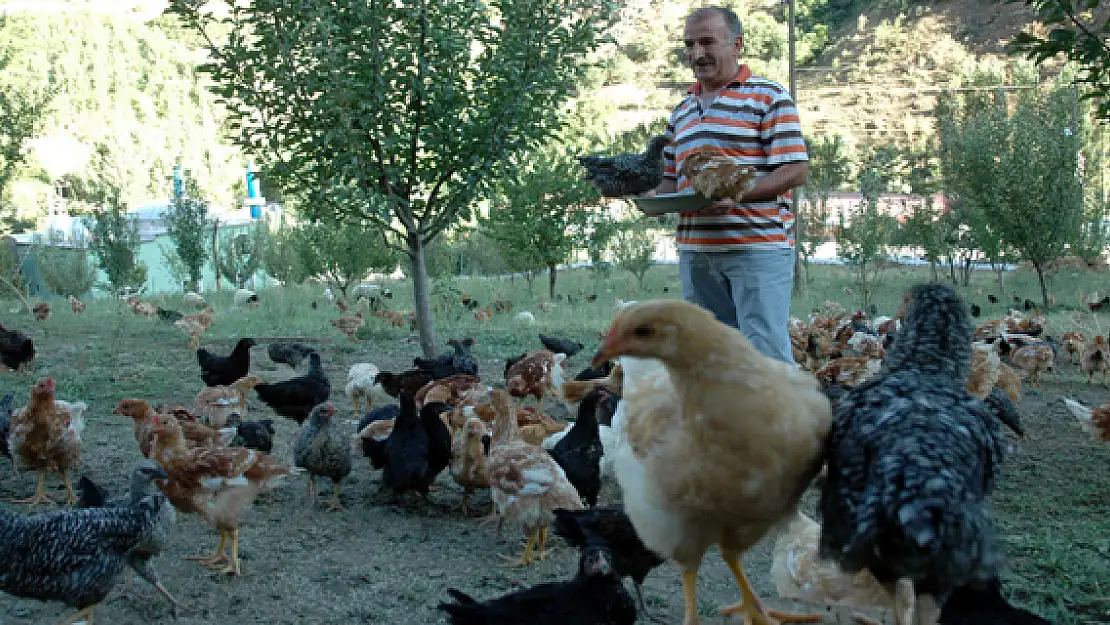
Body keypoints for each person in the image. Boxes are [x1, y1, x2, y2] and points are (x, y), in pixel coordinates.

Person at [652, 6, 809, 364]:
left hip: (757, 249)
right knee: (710, 358)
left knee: (764, 357)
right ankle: (724, 422)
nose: (696, 54)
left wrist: (736, 195)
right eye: (689, 45)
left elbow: (796, 169)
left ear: (737, 44)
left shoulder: (769, 97)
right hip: (697, 252)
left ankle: (778, 421)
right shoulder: (682, 111)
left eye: (707, 42)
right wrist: (646, 197)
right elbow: (670, 181)